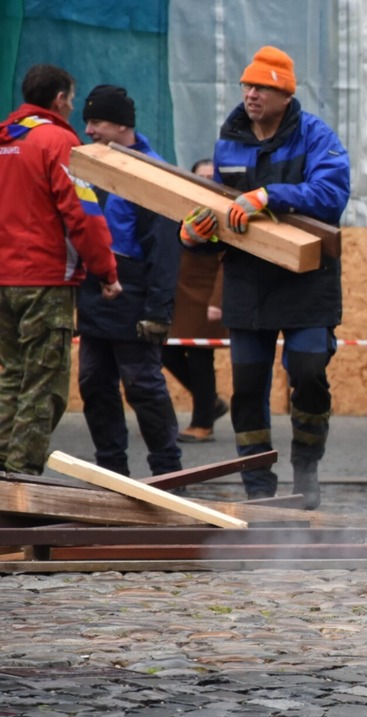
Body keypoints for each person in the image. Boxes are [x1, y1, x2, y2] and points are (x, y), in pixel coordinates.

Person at [179, 46, 350, 509]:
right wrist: (196, 234)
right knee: (248, 386)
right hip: (247, 282)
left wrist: (269, 195)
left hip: (306, 280)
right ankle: (258, 487)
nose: (251, 94)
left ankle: (306, 469)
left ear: (284, 94)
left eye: (262, 87)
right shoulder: (229, 139)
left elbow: (332, 194)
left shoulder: (316, 135)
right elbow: (224, 211)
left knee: (309, 373)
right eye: (247, 86)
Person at [0, 65, 122, 475]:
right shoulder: (59, 142)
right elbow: (83, 215)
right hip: (44, 281)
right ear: (59, 100)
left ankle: (2, 467)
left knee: (12, 378)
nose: (72, 108)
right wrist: (106, 271)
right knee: (44, 387)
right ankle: (19, 480)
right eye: (72, 100)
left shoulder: (5, 138)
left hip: (3, 280)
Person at [77, 84, 182, 477]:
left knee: (142, 387)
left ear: (122, 125)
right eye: (86, 120)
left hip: (134, 297)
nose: (88, 130)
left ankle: (168, 472)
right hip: (95, 296)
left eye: (97, 121)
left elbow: (166, 252)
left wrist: (158, 311)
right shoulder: (89, 168)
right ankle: (111, 473)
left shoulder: (153, 172)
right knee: (93, 383)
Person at [162, 158, 229, 444]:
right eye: (201, 176)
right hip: (181, 295)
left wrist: (218, 300)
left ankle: (203, 424)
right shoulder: (183, 208)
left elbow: (228, 260)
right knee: (167, 352)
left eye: (212, 176)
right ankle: (211, 403)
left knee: (201, 359)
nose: (207, 181)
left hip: (205, 296)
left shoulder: (226, 213)